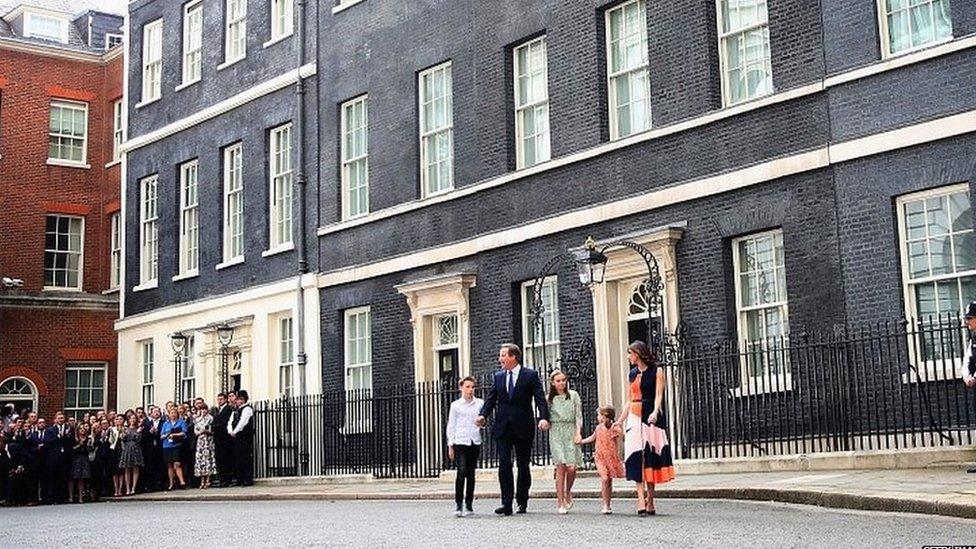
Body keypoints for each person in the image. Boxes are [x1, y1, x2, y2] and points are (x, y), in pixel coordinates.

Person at [476, 343, 550, 516]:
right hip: (503, 426)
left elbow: (539, 398)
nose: (500, 359)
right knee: (504, 464)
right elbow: (491, 399)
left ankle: (522, 501)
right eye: (500, 355)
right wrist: (483, 415)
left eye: (503, 355)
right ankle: (506, 503)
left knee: (523, 465)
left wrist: (544, 417)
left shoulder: (530, 375)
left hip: (523, 425)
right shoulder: (498, 376)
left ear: (513, 357)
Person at [619, 341, 675, 516]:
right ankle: (640, 499)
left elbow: (659, 395)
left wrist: (655, 412)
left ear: (638, 353)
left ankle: (650, 499)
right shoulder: (632, 374)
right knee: (636, 457)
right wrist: (620, 421)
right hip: (634, 418)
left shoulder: (657, 371)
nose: (628, 357)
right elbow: (629, 399)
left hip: (651, 418)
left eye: (630, 353)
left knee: (650, 458)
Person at [446, 376, 483, 517]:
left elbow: (483, 421)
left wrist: (482, 423)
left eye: (472, 387)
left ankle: (469, 505)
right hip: (460, 442)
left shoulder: (479, 403)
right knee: (461, 472)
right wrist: (450, 444)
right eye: (467, 387)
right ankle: (458, 504)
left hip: (474, 441)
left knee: (471, 474)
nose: (470, 390)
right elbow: (451, 425)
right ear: (461, 388)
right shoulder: (455, 405)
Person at [547, 369, 583, 514]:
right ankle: (560, 502)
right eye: (558, 381)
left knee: (572, 467)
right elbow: (544, 416)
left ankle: (568, 491)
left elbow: (578, 416)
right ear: (553, 383)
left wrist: (578, 433)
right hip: (556, 431)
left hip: (570, 429)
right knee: (561, 466)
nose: (561, 383)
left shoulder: (573, 395)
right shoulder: (548, 399)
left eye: (563, 380)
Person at [577, 406, 625, 514]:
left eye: (599, 415)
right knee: (604, 478)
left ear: (605, 416)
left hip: (611, 457)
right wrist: (582, 441)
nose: (598, 417)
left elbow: (622, 438)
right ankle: (604, 504)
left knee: (609, 480)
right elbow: (593, 437)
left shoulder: (614, 428)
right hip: (600, 457)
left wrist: (620, 431)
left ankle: (608, 504)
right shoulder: (599, 428)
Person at [228, 390, 254, 487]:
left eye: (238, 399)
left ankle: (247, 479)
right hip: (236, 437)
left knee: (245, 458)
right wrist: (230, 431)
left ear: (243, 400)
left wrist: (235, 431)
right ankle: (240, 479)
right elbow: (230, 422)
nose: (236, 401)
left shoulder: (247, 409)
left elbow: (243, 422)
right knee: (237, 458)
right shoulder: (236, 410)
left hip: (244, 436)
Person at [963, 301, 976, 474]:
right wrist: (966, 376)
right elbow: (967, 359)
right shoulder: (973, 338)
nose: (967, 322)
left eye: (970, 318)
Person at [161, 407, 188, 490]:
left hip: (177, 445)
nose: (173, 414)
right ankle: (171, 483)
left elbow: (184, 432)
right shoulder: (166, 424)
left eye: (174, 413)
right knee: (170, 465)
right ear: (169, 414)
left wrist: (175, 434)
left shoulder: (181, 422)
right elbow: (161, 436)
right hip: (167, 445)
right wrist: (167, 435)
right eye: (171, 413)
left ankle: (182, 481)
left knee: (177, 463)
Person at [212, 392, 234, 487]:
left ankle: (226, 480)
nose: (219, 401)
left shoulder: (228, 409)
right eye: (218, 399)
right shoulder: (218, 410)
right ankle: (222, 479)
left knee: (225, 459)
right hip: (218, 438)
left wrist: (213, 427)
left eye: (221, 399)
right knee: (219, 459)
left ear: (225, 400)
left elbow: (224, 422)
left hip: (224, 437)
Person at [193, 399, 216, 488]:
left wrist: (207, 430)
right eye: (202, 409)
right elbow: (195, 431)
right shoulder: (197, 419)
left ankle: (208, 479)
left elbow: (212, 429)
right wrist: (200, 432)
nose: (203, 411)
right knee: (200, 460)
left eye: (205, 409)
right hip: (200, 441)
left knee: (208, 459)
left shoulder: (210, 418)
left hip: (208, 441)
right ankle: (202, 479)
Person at [119, 415, 145, 495]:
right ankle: (127, 488)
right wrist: (124, 433)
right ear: (128, 420)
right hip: (127, 449)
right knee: (127, 469)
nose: (132, 420)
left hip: (136, 449)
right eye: (131, 418)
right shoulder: (125, 428)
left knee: (135, 468)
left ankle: (134, 487)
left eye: (134, 418)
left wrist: (138, 432)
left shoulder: (138, 428)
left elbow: (138, 440)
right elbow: (122, 439)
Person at [67, 425, 91, 503]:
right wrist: (79, 444)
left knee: (82, 478)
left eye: (83, 428)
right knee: (72, 478)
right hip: (75, 458)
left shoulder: (87, 439)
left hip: (84, 458)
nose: (82, 430)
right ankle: (70, 497)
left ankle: (81, 497)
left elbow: (89, 449)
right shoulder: (74, 439)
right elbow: (71, 449)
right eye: (80, 428)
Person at [108, 415, 125, 496]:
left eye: (120, 419)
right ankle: (116, 488)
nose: (118, 421)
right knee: (115, 471)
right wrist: (117, 432)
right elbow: (110, 440)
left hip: (122, 449)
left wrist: (122, 432)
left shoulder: (125, 429)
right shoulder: (112, 429)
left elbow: (125, 439)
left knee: (121, 470)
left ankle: (120, 489)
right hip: (113, 450)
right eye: (117, 419)